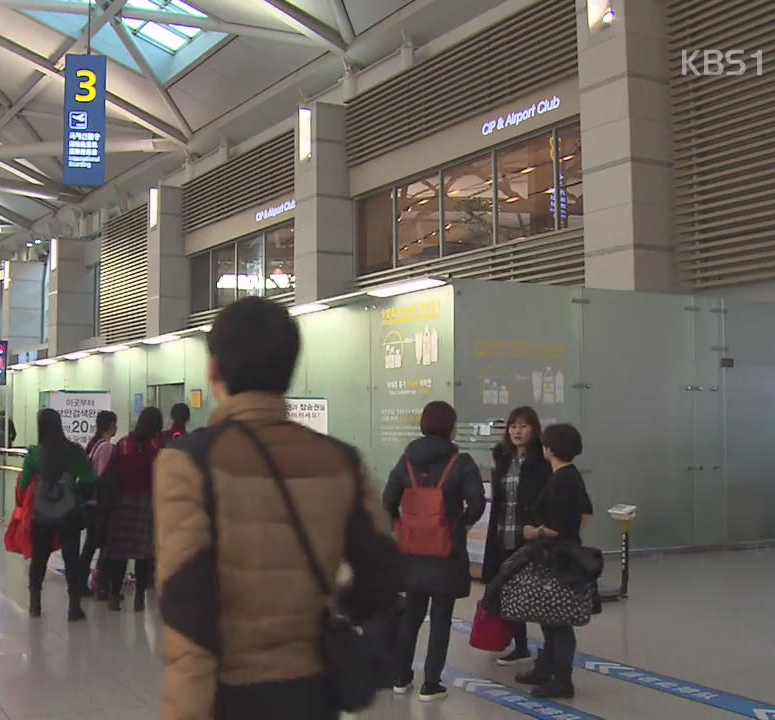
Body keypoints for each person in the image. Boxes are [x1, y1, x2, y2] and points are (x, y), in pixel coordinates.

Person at [154, 296, 400, 720]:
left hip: (232, 696)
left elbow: (188, 608)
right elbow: (382, 572)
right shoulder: (341, 460)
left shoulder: (188, 461)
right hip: (313, 691)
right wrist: (325, 607)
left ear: (214, 370)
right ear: (288, 371)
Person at [382, 400, 486, 702]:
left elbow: (388, 501)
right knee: (441, 618)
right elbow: (477, 503)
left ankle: (401, 678)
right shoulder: (462, 463)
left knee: (412, 617)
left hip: (412, 551)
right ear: (451, 428)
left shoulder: (406, 461)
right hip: (447, 551)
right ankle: (431, 684)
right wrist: (460, 525)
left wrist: (403, 527)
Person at [515, 423, 592, 699]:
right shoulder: (570, 476)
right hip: (564, 553)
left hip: (557, 556)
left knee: (558, 619)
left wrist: (532, 532)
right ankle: (546, 666)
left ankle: (562, 679)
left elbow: (557, 526)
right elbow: (586, 513)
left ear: (550, 448)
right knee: (550, 616)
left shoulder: (561, 480)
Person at [482, 406, 552, 666]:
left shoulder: (542, 462)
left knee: (539, 593)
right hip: (503, 534)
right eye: (513, 426)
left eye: (523, 426)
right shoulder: (503, 459)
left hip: (530, 536)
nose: (517, 431)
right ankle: (520, 645)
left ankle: (550, 650)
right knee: (510, 591)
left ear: (534, 429)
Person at [19, 408, 95, 621]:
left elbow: (24, 485)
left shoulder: (35, 454)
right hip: (70, 514)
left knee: (39, 558)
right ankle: (74, 607)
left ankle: (35, 604)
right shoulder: (74, 450)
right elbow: (89, 479)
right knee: (71, 558)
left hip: (42, 515)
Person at [101, 406, 163, 612]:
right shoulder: (157, 447)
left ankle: (114, 594)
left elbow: (110, 473)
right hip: (147, 502)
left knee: (120, 551)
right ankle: (139, 598)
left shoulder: (123, 444)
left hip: (122, 503)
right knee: (143, 553)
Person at [81, 410, 118, 600]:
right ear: (111, 425)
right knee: (101, 544)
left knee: (91, 543)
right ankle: (100, 585)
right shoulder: (106, 448)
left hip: (90, 503)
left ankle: (82, 582)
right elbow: (102, 476)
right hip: (98, 504)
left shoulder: (94, 445)